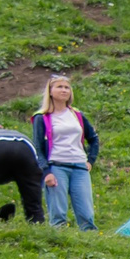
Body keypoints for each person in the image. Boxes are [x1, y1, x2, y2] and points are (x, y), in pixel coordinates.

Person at [33, 76, 102, 231]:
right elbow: (38, 147)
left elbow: (93, 138)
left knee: (86, 212)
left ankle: (90, 240)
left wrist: (90, 160)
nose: (64, 90)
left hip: (79, 167)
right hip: (57, 166)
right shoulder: (42, 117)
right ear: (50, 91)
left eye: (67, 87)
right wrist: (46, 172)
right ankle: (59, 240)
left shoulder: (76, 115)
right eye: (59, 87)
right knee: (58, 213)